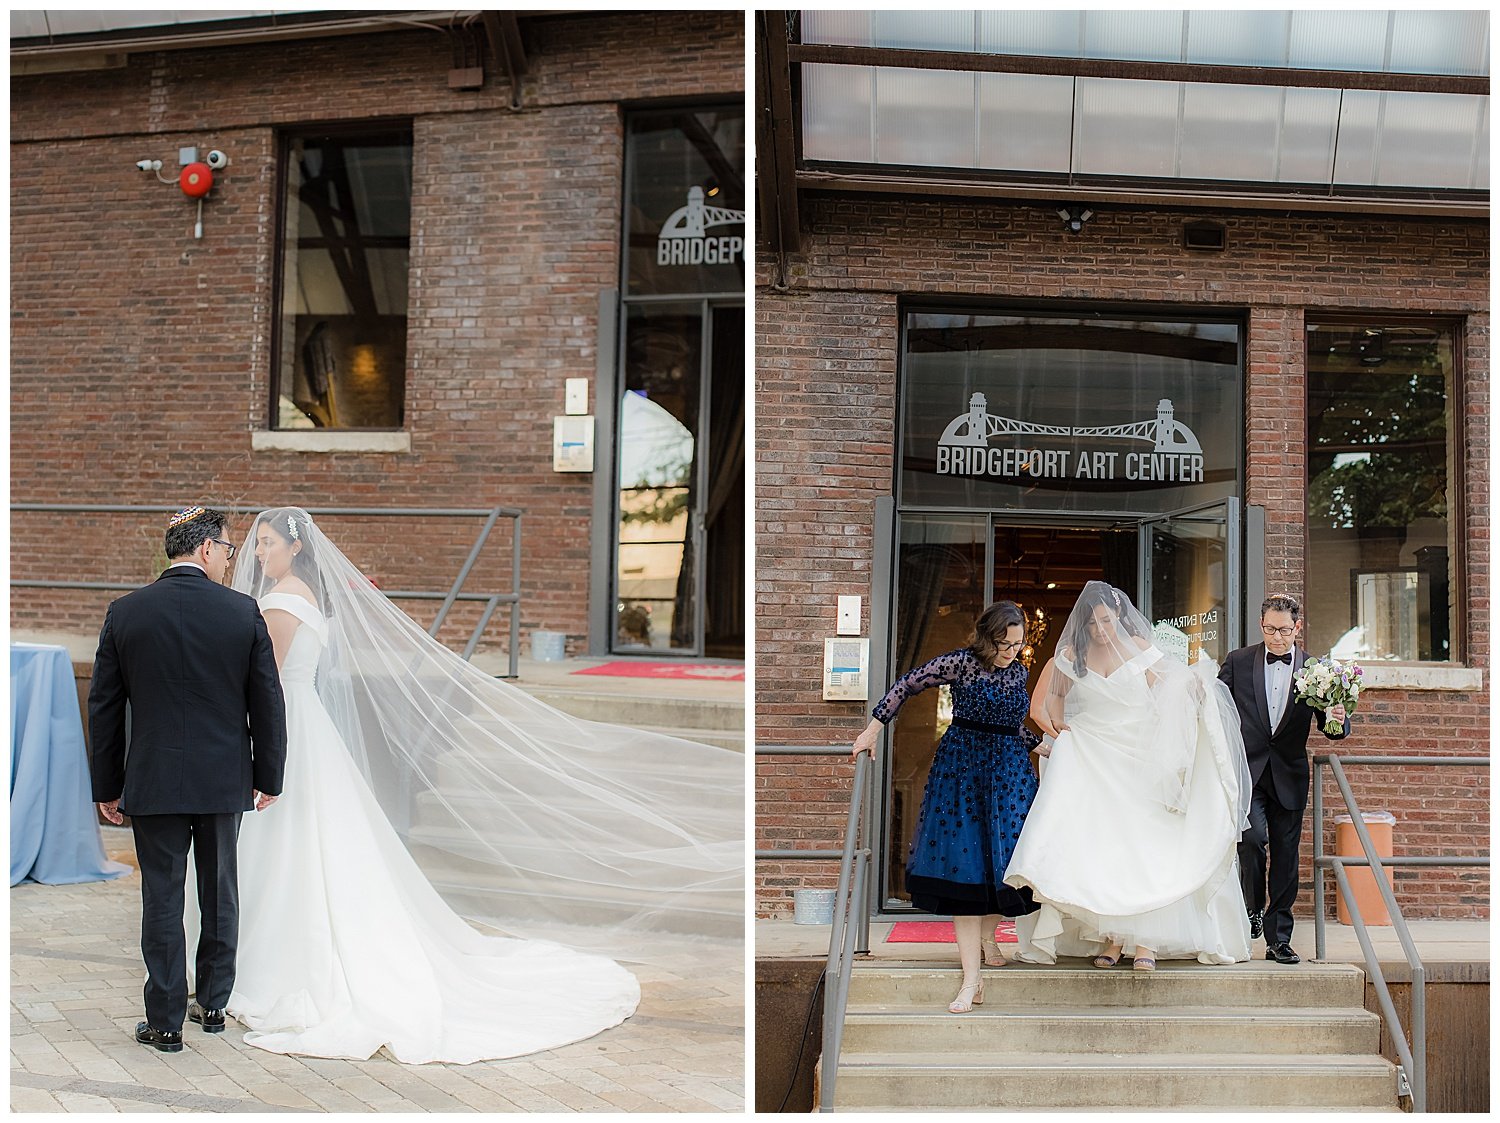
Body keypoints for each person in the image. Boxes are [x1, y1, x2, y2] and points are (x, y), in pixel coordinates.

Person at [183, 507, 741, 1063]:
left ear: (295, 547)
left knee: (287, 847)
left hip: (288, 730)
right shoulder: (304, 597)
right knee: (300, 847)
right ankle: (247, 956)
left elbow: (261, 681)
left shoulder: (280, 603)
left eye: (267, 545)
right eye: (254, 546)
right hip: (306, 726)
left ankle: (267, 961)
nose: (258, 555)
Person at [88, 506, 288, 1053]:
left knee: (161, 897)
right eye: (227, 550)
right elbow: (266, 703)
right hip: (224, 778)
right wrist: (270, 774)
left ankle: (165, 1022)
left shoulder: (125, 613)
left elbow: (104, 708)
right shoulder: (241, 612)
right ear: (205, 550)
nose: (229, 559)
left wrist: (106, 786)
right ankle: (215, 1006)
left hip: (152, 779)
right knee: (220, 892)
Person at [1004, 581, 1251, 970]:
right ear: (1082, 625)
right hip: (1094, 760)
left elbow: (1169, 693)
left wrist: (1195, 691)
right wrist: (1065, 736)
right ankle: (1113, 939)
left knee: (1143, 848)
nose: (1100, 630)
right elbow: (1043, 708)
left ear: (1118, 615)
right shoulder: (1069, 657)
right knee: (1106, 849)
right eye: (1092, 624)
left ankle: (1146, 944)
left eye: (1106, 620)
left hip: (1138, 759)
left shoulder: (1139, 650)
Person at [852, 601, 1040, 1014]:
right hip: (963, 775)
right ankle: (971, 981)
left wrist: (1050, 747)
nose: (1012, 651)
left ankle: (989, 937)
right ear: (987, 637)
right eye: (1005, 643)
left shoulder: (1019, 671)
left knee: (1011, 871)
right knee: (965, 874)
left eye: (1018, 644)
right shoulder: (961, 663)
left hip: (1008, 778)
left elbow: (1013, 726)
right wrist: (871, 732)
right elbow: (906, 685)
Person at [1219, 592, 1350, 965]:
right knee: (1250, 841)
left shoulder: (1317, 669)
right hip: (1248, 772)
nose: (1275, 637)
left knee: (1287, 859)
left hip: (1289, 775)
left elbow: (1332, 727)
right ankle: (1253, 908)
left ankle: (1279, 939)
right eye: (1269, 629)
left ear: (1298, 627)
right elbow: (1217, 707)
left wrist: (1337, 715)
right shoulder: (1238, 661)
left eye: (1283, 630)